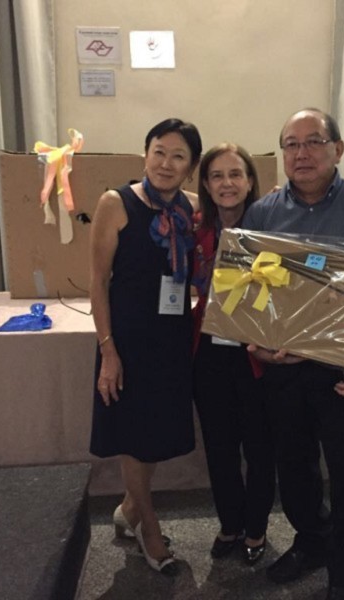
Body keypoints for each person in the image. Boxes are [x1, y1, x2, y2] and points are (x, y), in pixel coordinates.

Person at [242, 109, 344, 600]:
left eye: (313, 141)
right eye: (291, 144)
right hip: (282, 368)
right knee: (293, 467)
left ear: (338, 149)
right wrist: (255, 343)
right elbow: (247, 291)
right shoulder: (262, 213)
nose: (301, 153)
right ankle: (312, 540)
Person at [89, 117, 202, 576]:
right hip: (128, 341)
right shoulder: (116, 203)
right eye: (159, 151)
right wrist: (108, 351)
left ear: (191, 167)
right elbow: (98, 282)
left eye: (178, 156)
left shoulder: (193, 209)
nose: (166, 163)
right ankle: (148, 527)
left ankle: (129, 509)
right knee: (133, 436)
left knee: (153, 435)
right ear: (145, 154)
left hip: (172, 340)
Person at [191, 143, 276, 565]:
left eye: (235, 174)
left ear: (250, 181)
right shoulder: (194, 230)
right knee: (220, 448)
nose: (227, 183)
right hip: (208, 353)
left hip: (257, 355)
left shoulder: (271, 228)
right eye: (217, 176)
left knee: (260, 449)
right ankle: (230, 524)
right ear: (206, 185)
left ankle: (256, 529)